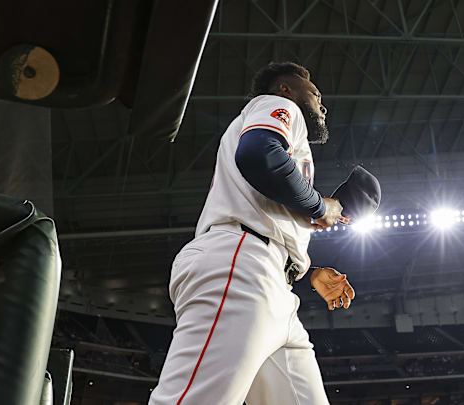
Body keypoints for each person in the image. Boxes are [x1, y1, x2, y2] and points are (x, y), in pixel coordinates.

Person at [148, 62, 355, 405]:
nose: (322, 103)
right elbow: (259, 156)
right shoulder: (277, 105)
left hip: (271, 280)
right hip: (241, 265)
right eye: (315, 93)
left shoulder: (293, 140)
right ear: (286, 89)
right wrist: (321, 207)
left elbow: (267, 210)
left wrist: (305, 271)